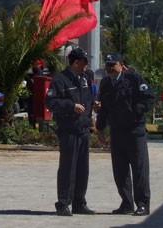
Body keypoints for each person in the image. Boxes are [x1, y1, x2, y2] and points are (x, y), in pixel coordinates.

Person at [96, 53, 155, 217]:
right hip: (117, 131)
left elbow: (149, 98)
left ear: (121, 64)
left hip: (135, 131)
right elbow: (104, 109)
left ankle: (143, 204)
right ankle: (126, 203)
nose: (109, 68)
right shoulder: (106, 83)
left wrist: (137, 111)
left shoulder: (134, 79)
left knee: (139, 170)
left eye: (112, 65)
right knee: (120, 171)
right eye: (107, 65)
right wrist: (100, 129)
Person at [45, 47, 95, 217]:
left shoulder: (85, 78)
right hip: (69, 130)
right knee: (68, 168)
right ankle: (63, 203)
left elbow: (88, 99)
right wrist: (71, 106)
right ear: (76, 63)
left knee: (83, 169)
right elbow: (50, 102)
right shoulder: (60, 80)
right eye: (84, 62)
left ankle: (79, 202)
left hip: (83, 129)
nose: (87, 66)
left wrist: (93, 108)